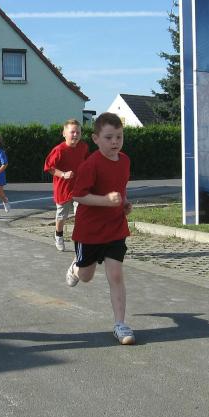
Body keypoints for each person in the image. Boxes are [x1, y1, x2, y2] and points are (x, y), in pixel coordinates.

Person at [65, 112, 135, 345]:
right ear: (96, 139)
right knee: (86, 276)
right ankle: (75, 267)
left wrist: (124, 203)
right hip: (90, 231)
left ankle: (120, 325)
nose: (115, 142)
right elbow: (78, 195)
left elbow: (120, 188)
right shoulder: (90, 164)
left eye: (119, 137)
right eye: (109, 137)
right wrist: (106, 201)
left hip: (115, 227)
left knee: (116, 275)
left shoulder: (125, 161)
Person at [44, 119, 89, 251]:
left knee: (81, 213)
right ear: (64, 133)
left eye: (78, 132)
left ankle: (81, 239)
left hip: (79, 188)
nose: (75, 135)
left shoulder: (83, 147)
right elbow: (49, 168)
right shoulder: (59, 150)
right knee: (62, 215)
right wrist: (63, 174)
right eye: (72, 132)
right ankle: (58, 235)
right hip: (63, 189)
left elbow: (87, 162)